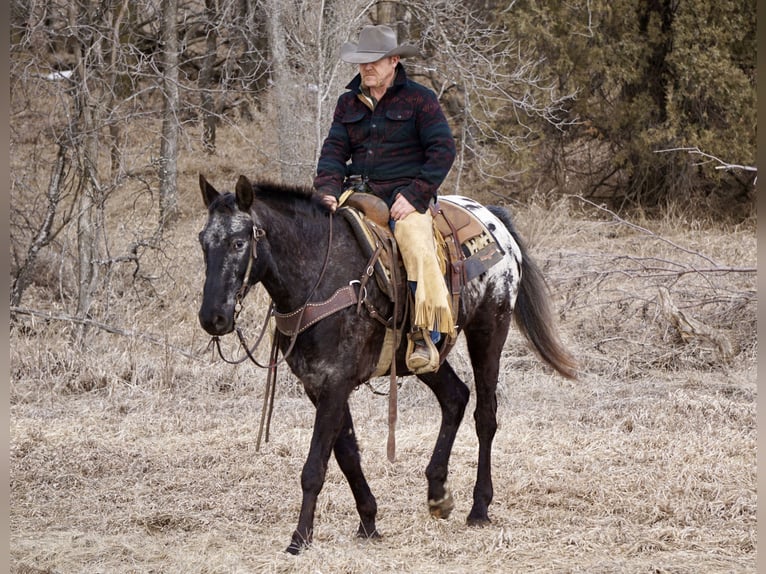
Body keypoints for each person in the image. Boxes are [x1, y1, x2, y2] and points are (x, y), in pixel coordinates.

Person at [313, 24, 457, 373]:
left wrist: (415, 195)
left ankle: (425, 333)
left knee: (415, 242)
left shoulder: (420, 99)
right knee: (319, 238)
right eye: (362, 62)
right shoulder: (348, 102)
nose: (366, 68)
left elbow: (442, 150)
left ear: (394, 61)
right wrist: (328, 191)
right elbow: (334, 151)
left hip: (404, 197)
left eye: (374, 61)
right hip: (357, 195)